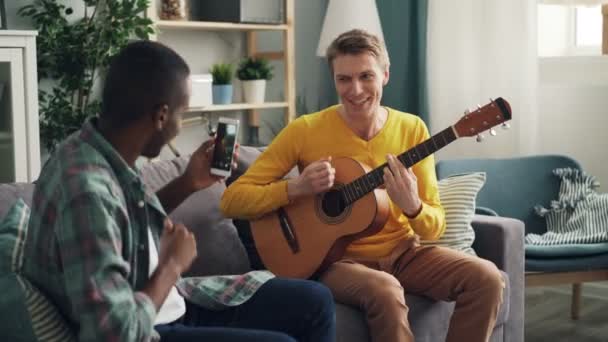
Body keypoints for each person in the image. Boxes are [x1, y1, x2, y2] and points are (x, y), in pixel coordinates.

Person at [23, 40, 335, 342]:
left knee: (315, 301)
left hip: (169, 305)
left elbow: (122, 223)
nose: (179, 124)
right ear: (161, 115)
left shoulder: (95, 150)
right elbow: (115, 335)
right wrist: (172, 266)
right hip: (149, 328)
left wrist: (187, 183)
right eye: (182, 114)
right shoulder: (87, 192)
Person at [220, 29, 505, 342]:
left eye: (366, 76)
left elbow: (433, 230)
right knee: (385, 289)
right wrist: (295, 189)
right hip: (335, 262)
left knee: (487, 278)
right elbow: (232, 201)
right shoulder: (305, 130)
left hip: (404, 254)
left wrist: (413, 206)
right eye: (344, 79)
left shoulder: (412, 129)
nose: (355, 90)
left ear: (385, 75)